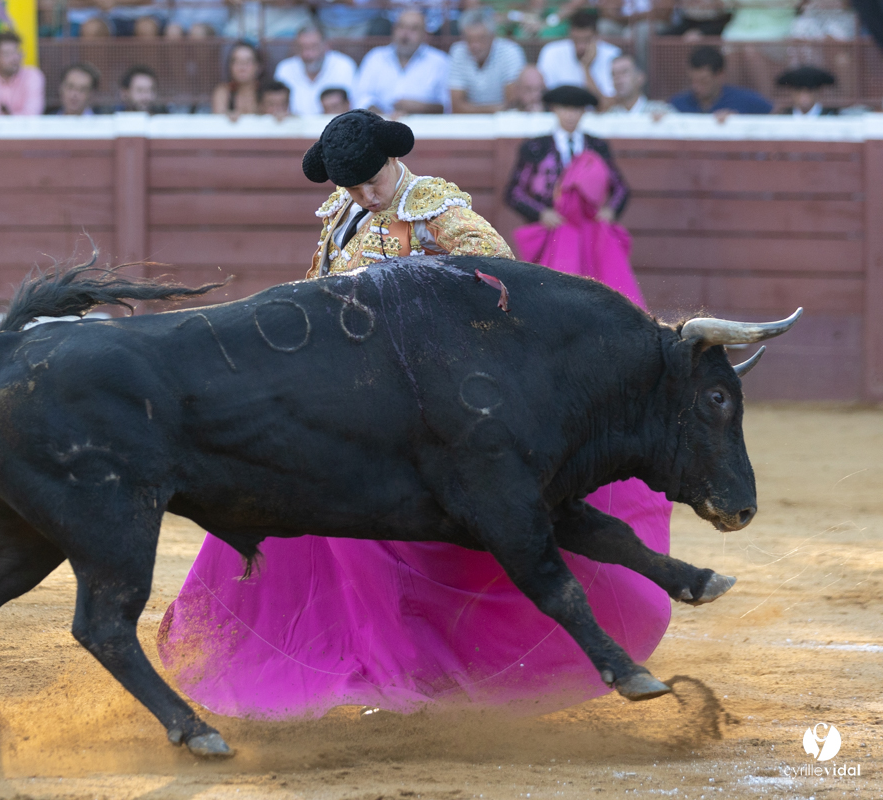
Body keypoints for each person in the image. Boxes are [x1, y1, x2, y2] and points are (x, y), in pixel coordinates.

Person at [159, 111, 674, 719]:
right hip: (345, 394)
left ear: (393, 162)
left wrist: (401, 290)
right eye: (348, 186)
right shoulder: (339, 211)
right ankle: (308, 655)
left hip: (415, 402)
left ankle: (407, 668)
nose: (361, 195)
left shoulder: (434, 208)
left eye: (370, 182)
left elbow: (498, 273)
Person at [505, 85, 639, 303]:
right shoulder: (535, 147)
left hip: (589, 230)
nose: (570, 114)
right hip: (553, 230)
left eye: (576, 109)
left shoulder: (597, 146)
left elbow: (621, 188)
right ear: (554, 109)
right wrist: (542, 214)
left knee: (595, 292)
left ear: (583, 112)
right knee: (550, 296)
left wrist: (610, 211)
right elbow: (514, 192)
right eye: (565, 108)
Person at [353, 9, 451, 116]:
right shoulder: (375, 58)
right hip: (377, 127)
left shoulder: (440, 62)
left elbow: (447, 106)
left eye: (413, 29)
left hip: (426, 128)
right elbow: (360, 97)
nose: (405, 34)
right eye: (401, 27)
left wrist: (420, 107)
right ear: (393, 30)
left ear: (424, 35)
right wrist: (382, 117)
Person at [449, 7, 527, 113]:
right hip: (468, 124)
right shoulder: (458, 51)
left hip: (504, 123)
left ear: (493, 36)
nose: (475, 45)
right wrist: (497, 108)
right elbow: (455, 107)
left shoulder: (510, 52)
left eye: (481, 38)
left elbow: (512, 103)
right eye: (469, 39)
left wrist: (469, 109)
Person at [273, 24, 358, 116]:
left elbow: (353, 106)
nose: (307, 54)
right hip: (294, 128)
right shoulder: (285, 68)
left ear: (326, 46)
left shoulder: (344, 66)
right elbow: (278, 109)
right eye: (302, 48)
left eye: (314, 47)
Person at [536, 9, 621, 99]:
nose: (581, 46)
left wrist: (586, 67)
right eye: (576, 40)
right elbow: (544, 95)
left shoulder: (612, 54)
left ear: (597, 36)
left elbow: (606, 104)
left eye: (586, 40)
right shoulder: (551, 52)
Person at [669, 46, 772, 114]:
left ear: (720, 75)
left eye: (704, 81)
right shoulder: (678, 104)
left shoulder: (746, 101)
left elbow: (774, 115)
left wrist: (738, 123)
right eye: (693, 81)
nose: (696, 87)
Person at [605, 54, 672, 114]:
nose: (617, 78)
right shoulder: (608, 116)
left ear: (640, 77)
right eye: (613, 74)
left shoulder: (660, 111)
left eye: (624, 72)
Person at [211, 40, 263, 119]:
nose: (242, 67)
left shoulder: (266, 92)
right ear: (230, 66)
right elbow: (219, 119)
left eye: (247, 61)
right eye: (236, 61)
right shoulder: (223, 91)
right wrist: (227, 116)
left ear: (258, 66)